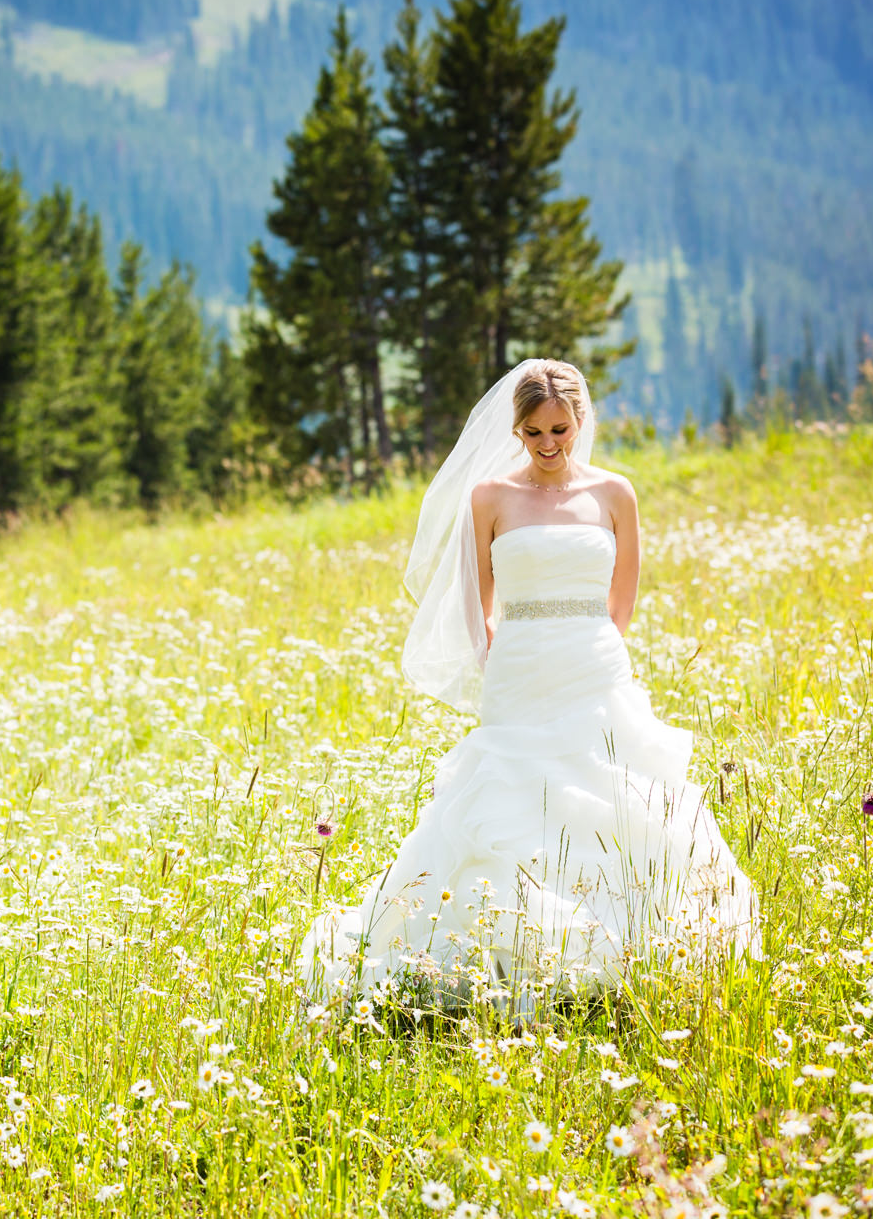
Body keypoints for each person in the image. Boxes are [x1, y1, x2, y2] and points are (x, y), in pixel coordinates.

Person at [300, 359, 761, 1017]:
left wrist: (591, 652)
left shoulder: (613, 494)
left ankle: (623, 952)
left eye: (559, 429)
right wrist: (502, 659)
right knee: (508, 804)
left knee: (618, 800)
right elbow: (474, 599)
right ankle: (493, 958)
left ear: (579, 421)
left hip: (593, 665)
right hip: (516, 671)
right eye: (534, 431)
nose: (548, 445)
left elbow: (621, 600)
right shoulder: (488, 497)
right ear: (515, 429)